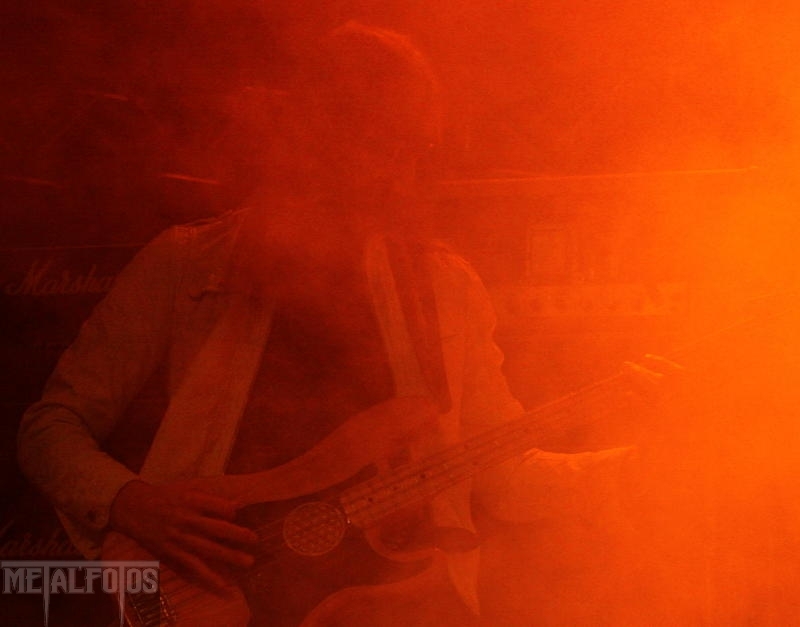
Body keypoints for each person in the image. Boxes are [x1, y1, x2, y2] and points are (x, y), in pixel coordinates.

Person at [18, 22, 641, 626]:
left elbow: (504, 474)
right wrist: (132, 502)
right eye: (364, 134)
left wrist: (640, 464)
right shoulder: (185, 264)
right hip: (208, 595)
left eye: (404, 145)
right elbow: (50, 427)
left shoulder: (443, 289)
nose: (385, 167)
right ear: (302, 132)